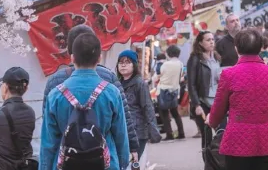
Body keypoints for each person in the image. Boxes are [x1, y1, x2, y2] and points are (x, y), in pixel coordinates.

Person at [42, 25, 139, 161]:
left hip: (66, 162)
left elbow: (49, 135)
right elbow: (122, 125)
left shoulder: (54, 84)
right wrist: (131, 149)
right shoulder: (110, 82)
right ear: (99, 57)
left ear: (72, 56)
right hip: (105, 161)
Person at [207, 29, 268, 169]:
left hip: (238, 139)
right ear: (260, 47)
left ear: (236, 48)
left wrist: (212, 120)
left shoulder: (228, 74)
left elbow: (219, 107)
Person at [116, 50, 161, 158]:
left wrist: (153, 131)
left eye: (127, 62)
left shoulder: (139, 83)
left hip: (138, 132)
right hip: (122, 130)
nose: (123, 65)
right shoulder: (117, 83)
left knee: (132, 163)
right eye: (121, 62)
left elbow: (147, 107)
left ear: (134, 65)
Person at [187, 30, 221, 150]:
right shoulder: (195, 59)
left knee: (222, 132)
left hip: (218, 101)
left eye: (212, 39)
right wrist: (196, 104)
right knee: (207, 135)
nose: (211, 42)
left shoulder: (216, 57)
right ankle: (208, 163)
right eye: (208, 40)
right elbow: (191, 84)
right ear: (200, 43)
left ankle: (220, 162)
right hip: (202, 102)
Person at [155, 44, 186, 140]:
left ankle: (169, 134)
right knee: (175, 112)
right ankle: (181, 133)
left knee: (164, 113)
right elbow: (181, 77)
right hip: (175, 90)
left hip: (163, 90)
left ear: (168, 53)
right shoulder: (180, 64)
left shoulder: (165, 64)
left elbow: (158, 76)